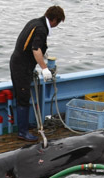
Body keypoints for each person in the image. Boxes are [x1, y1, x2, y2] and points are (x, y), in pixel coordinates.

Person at [10, 6, 65, 142]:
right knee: (23, 97)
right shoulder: (41, 29)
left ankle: (25, 125)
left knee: (24, 95)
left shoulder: (35, 22)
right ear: (54, 20)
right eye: (58, 23)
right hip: (21, 67)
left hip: (20, 63)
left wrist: (42, 55)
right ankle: (22, 132)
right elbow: (35, 49)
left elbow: (30, 45)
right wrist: (44, 68)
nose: (56, 26)